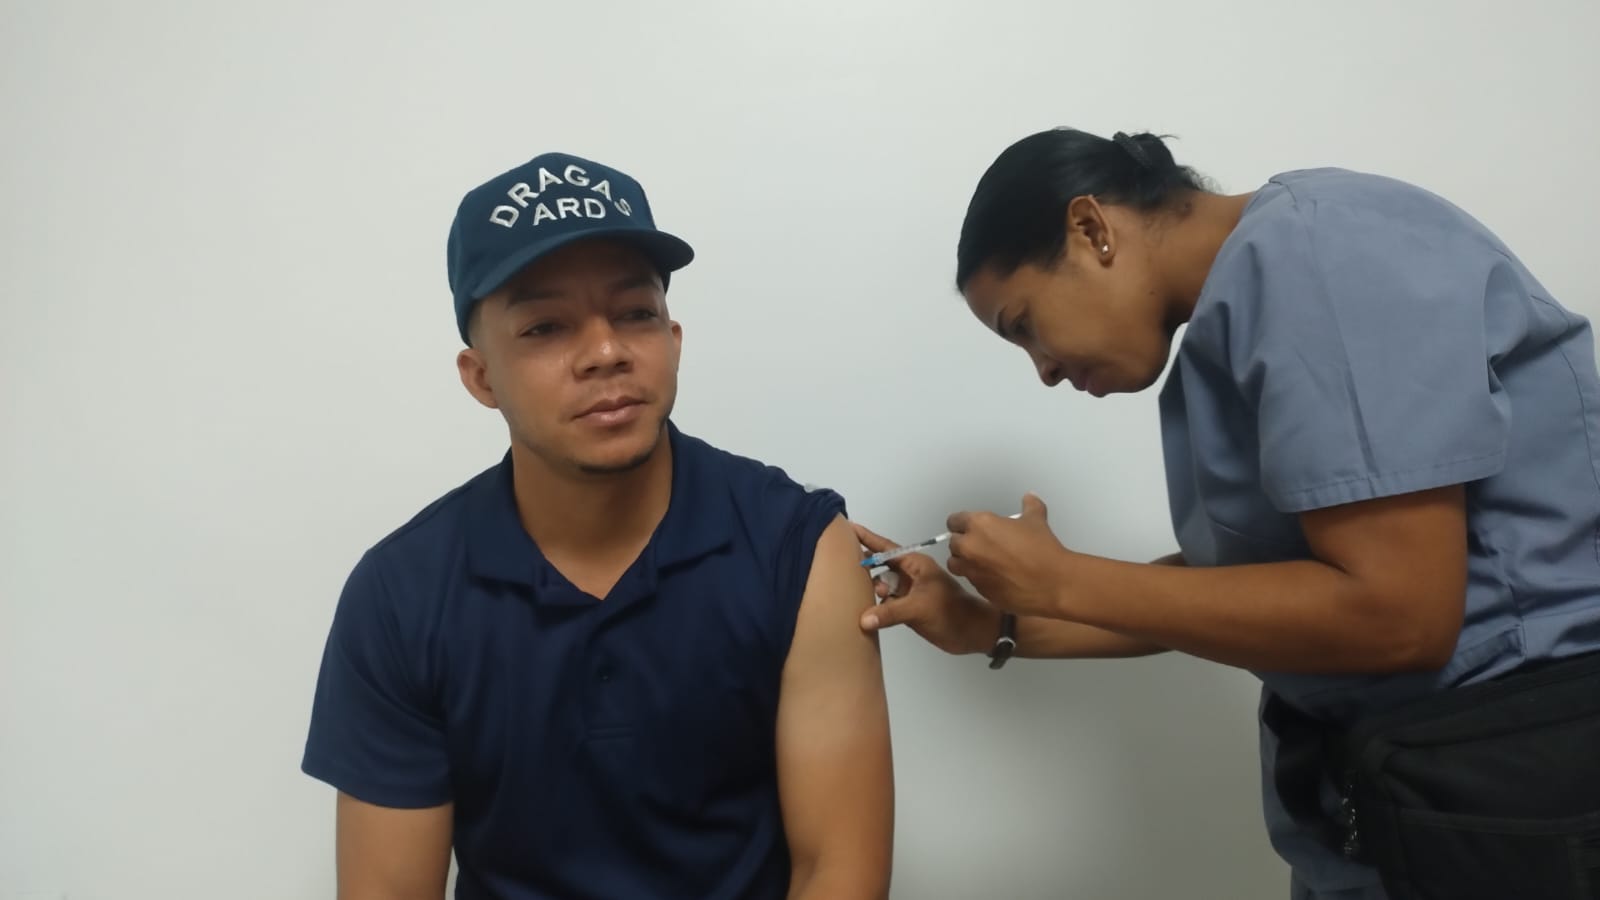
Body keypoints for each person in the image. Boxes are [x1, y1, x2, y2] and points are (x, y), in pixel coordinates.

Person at [855, 127, 1600, 899]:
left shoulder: (1320, 254)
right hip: (1402, 805)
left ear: (1091, 228)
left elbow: (1399, 614)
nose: (1042, 369)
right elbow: (1254, 590)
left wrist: (1066, 580)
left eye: (1025, 325)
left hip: (1517, 792)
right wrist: (988, 623)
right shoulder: (1242, 311)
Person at [301, 151, 894, 900]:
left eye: (635, 313)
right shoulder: (401, 596)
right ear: (481, 377)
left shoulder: (798, 550)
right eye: (546, 327)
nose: (606, 353)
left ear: (674, 339)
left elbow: (837, 872)